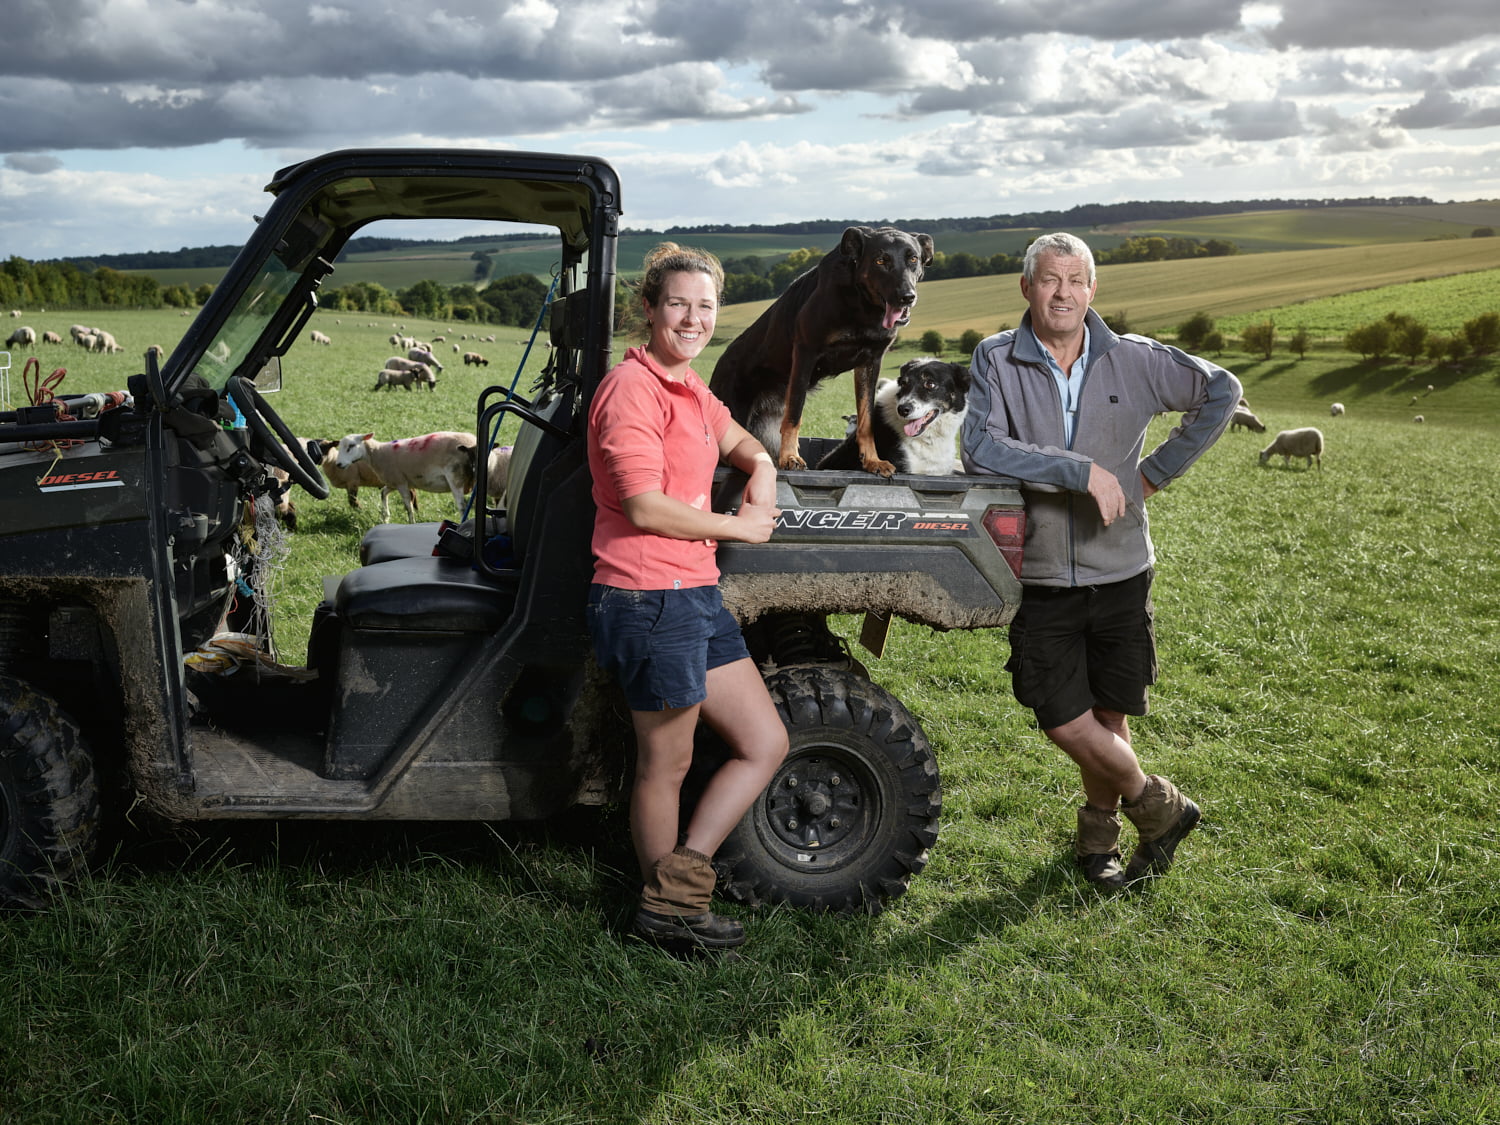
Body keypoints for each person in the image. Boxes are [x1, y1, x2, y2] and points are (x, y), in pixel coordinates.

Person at [960, 232, 1241, 889]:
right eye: (1050, 279)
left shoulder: (1136, 360)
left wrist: (1153, 475)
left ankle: (1098, 846)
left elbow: (1221, 392)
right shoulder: (996, 359)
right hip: (1044, 574)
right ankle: (1161, 806)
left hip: (1122, 570)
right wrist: (1077, 470)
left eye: (1076, 280)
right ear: (1026, 287)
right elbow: (979, 446)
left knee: (1109, 715)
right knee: (1060, 712)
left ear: (1093, 290)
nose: (1063, 292)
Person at [586, 242, 789, 948]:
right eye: (678, 303)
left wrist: (762, 469)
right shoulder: (631, 390)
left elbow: (743, 442)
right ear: (649, 309)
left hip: (695, 593)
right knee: (664, 763)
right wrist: (740, 525)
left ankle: (684, 872)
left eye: (705, 306)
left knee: (764, 740)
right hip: (647, 597)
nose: (693, 317)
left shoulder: (689, 388)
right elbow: (642, 506)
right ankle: (665, 914)